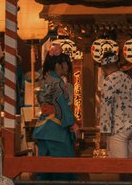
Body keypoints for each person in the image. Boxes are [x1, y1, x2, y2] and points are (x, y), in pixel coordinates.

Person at [32, 44, 77, 181]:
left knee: (44, 168)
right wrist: (72, 124)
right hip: (56, 128)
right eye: (66, 64)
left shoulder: (45, 79)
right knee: (63, 168)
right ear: (59, 65)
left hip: (43, 126)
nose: (68, 67)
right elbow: (61, 106)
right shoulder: (58, 83)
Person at [98, 52, 132, 160]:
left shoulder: (108, 81)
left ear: (103, 67)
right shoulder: (128, 79)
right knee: (130, 165)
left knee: (120, 166)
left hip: (119, 128)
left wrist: (103, 132)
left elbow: (106, 108)